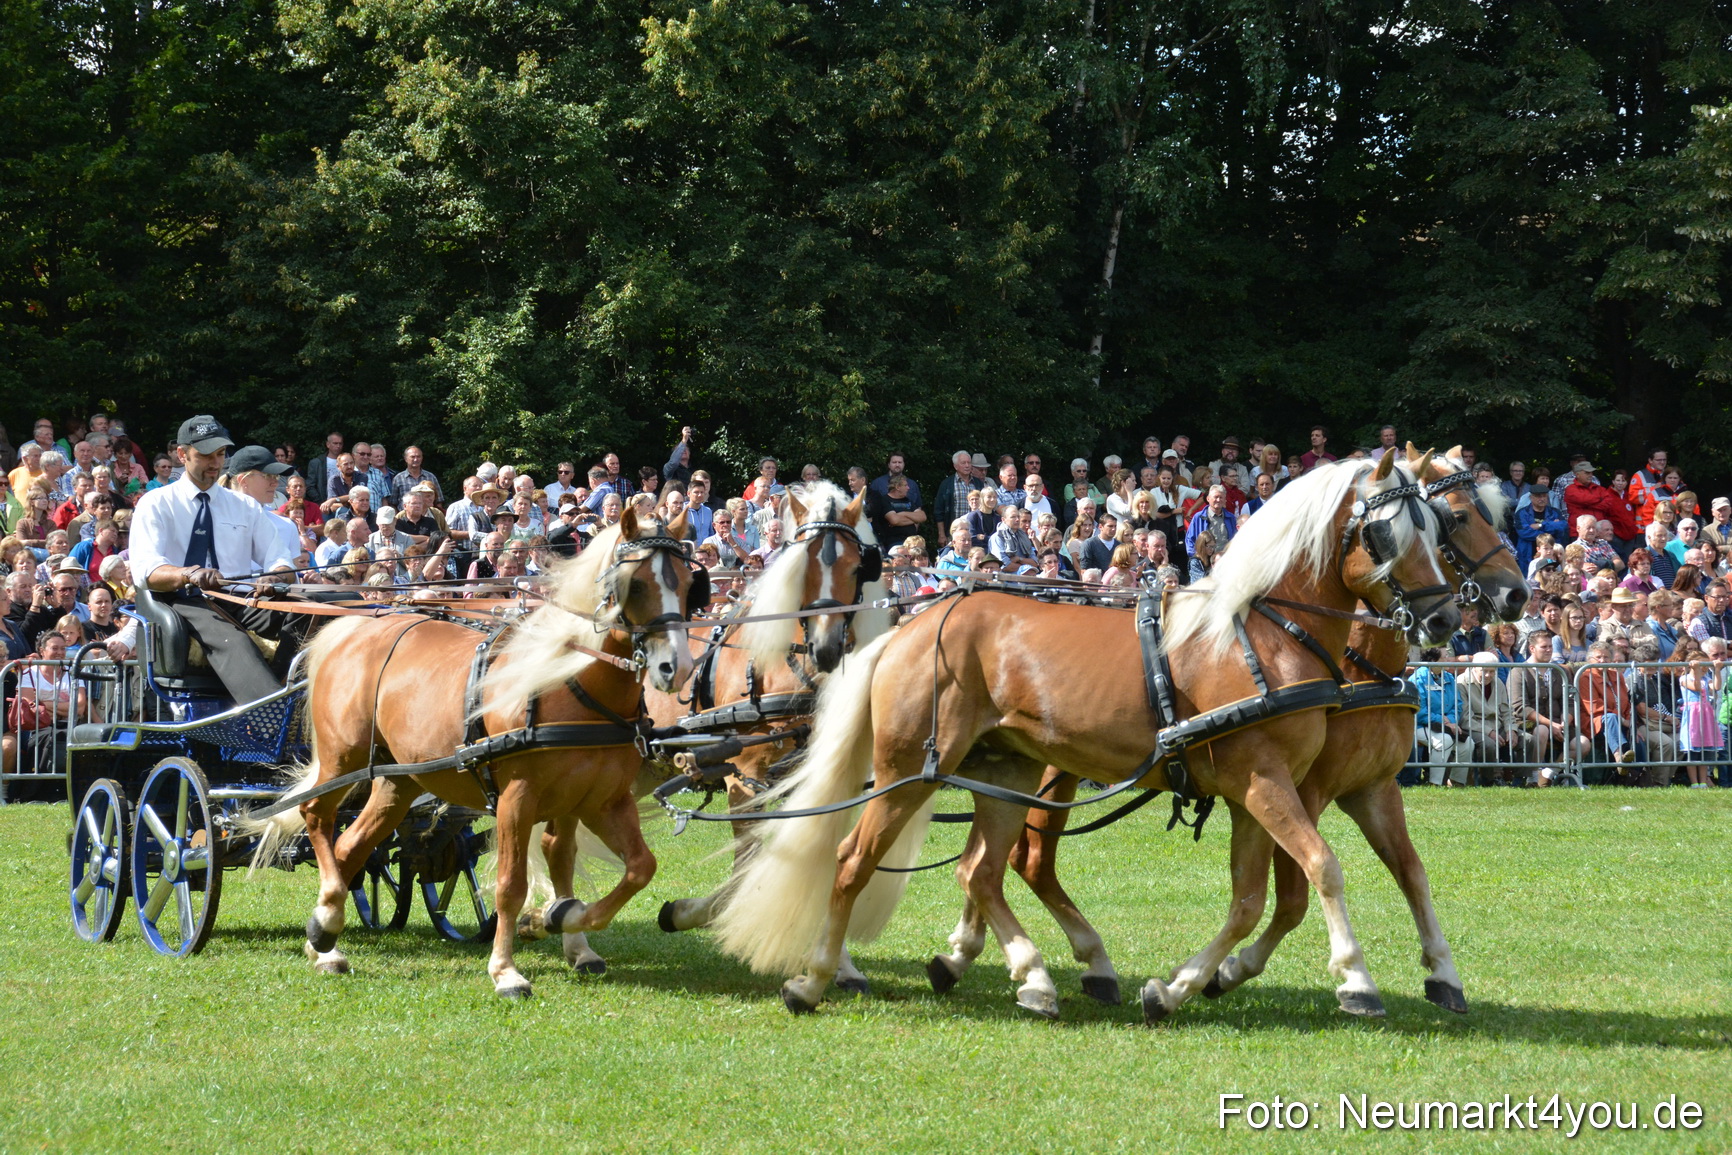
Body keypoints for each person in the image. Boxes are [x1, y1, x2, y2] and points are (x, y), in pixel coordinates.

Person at [128, 416, 301, 704]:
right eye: (205, 455)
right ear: (182, 455)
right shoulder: (155, 503)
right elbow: (146, 571)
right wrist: (188, 574)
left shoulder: (244, 505)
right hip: (182, 601)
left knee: (310, 612)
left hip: (238, 599)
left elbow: (280, 558)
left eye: (220, 454)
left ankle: (290, 692)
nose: (214, 462)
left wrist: (277, 576)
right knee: (231, 639)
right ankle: (271, 719)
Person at [1677, 635, 1725, 787]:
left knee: (1703, 750)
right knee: (1692, 752)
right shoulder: (1684, 678)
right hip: (1693, 716)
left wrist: (1716, 670)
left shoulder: (1706, 679)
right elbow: (1696, 687)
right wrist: (1696, 671)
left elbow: (1716, 687)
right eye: (1702, 665)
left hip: (1705, 715)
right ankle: (1694, 782)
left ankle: (1703, 781)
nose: (1704, 668)